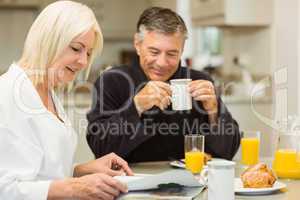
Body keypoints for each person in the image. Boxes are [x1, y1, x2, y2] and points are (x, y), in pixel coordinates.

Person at [0, 1, 134, 200]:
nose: (83, 62)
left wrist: (82, 170)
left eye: (88, 53)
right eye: (76, 48)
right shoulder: (8, 95)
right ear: (49, 40)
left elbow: (43, 173)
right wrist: (75, 187)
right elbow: (5, 189)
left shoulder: (47, 92)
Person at [86, 7, 241, 163]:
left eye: (172, 54)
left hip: (191, 182)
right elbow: (100, 149)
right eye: (154, 52)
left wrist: (213, 113)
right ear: (137, 44)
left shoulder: (199, 81)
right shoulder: (112, 81)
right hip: (127, 183)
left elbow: (227, 153)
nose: (162, 63)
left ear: (182, 51)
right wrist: (136, 107)